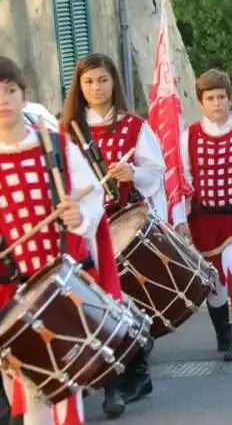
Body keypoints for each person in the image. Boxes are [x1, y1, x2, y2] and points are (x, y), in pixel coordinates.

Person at [0, 56, 119, 425]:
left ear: (24, 96)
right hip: (10, 292)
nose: (3, 100)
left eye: (10, 91)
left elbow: (93, 198)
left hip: (62, 283)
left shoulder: (57, 147)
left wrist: (77, 216)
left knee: (64, 385)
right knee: (29, 389)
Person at [61, 53, 169, 411]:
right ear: (79, 86)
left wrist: (132, 174)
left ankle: (131, 377)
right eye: (89, 81)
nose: (96, 88)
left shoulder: (134, 126)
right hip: (85, 229)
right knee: (96, 306)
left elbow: (156, 172)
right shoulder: (67, 132)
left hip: (124, 221)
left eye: (103, 80)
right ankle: (115, 380)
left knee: (125, 300)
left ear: (114, 83)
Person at [172, 69, 232, 361]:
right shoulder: (188, 136)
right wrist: (180, 220)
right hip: (204, 219)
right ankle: (223, 334)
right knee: (214, 283)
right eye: (210, 98)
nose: (217, 103)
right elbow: (181, 183)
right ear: (201, 102)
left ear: (230, 100)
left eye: (221, 97)